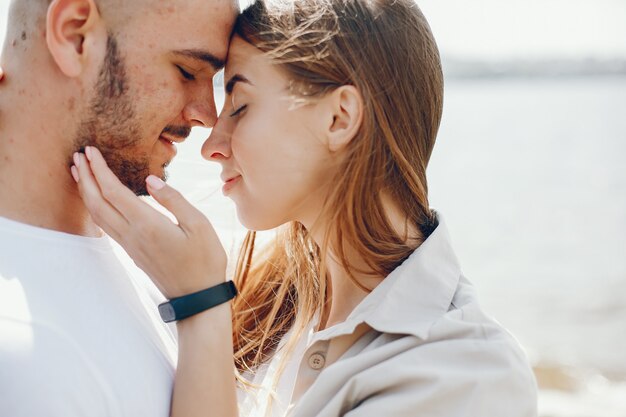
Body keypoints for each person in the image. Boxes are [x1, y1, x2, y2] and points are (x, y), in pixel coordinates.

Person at [72, 0, 539, 416]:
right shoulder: (263, 300)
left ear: (339, 118)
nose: (211, 145)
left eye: (241, 104)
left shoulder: (468, 376)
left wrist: (199, 304)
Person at [0, 0, 237, 416]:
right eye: (186, 71)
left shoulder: (151, 265)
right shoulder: (19, 356)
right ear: (75, 36)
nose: (207, 116)